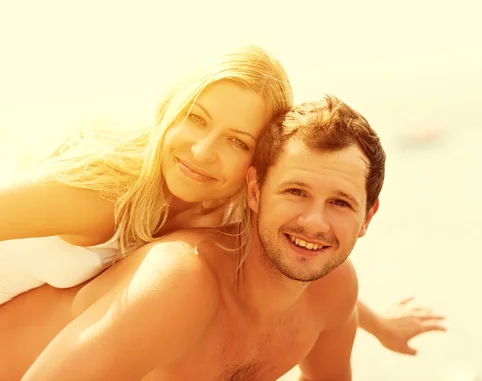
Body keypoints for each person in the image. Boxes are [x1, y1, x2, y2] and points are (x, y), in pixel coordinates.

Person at [0, 45, 443, 360]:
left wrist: (378, 324)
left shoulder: (223, 207)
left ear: (258, 166)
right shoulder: (101, 193)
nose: (203, 151)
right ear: (171, 111)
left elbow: (302, 271)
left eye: (236, 140)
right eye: (196, 119)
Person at [3, 95, 385, 380]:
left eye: (340, 202)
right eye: (295, 192)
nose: (314, 222)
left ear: (368, 216)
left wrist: (384, 326)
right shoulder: (179, 283)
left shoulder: (332, 290)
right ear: (254, 191)